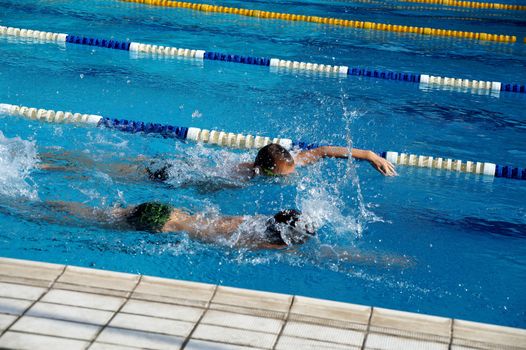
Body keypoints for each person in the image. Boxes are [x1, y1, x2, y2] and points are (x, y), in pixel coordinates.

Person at [48, 201, 316, 249]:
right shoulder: (259, 241)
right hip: (161, 224)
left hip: (167, 211)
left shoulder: (257, 220)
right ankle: (39, 209)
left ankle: (48, 205)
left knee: (97, 214)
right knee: (88, 220)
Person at [238, 143, 396, 177]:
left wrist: (369, 155)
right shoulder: (246, 175)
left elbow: (324, 151)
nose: (290, 176)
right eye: (283, 176)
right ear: (265, 172)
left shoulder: (290, 161)